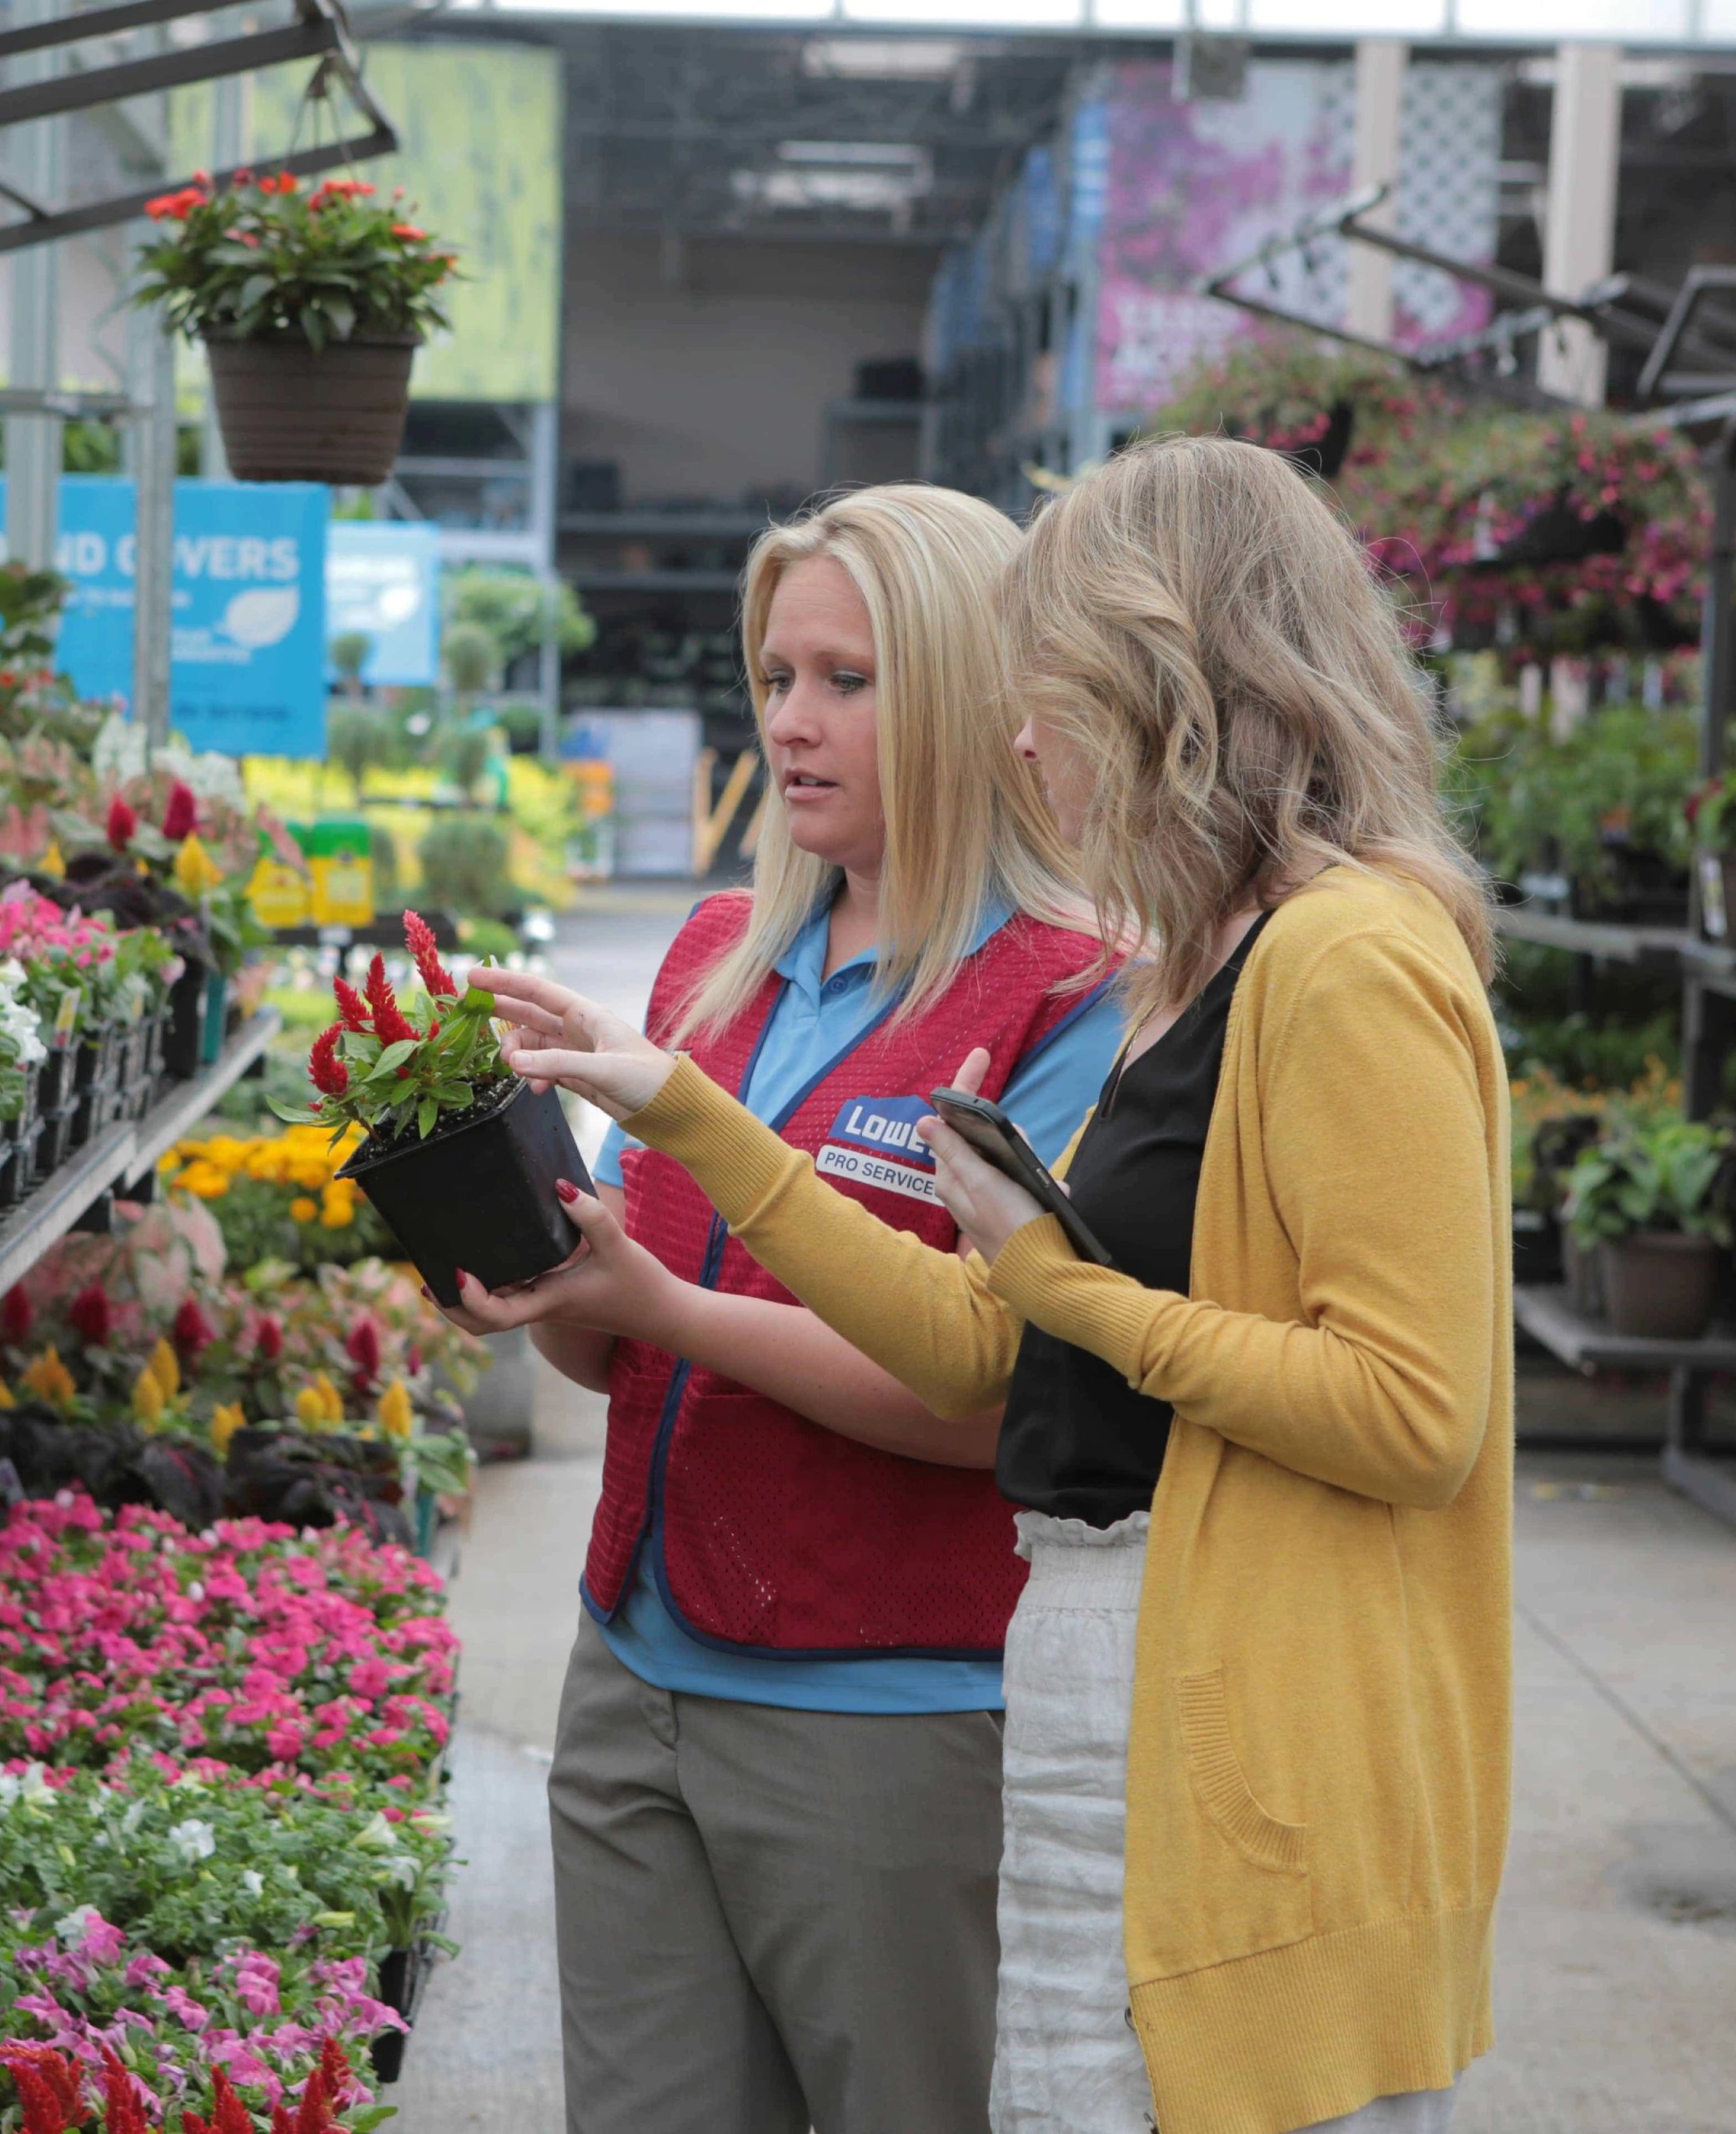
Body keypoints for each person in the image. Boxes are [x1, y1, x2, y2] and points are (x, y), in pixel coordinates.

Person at [478, 434, 1511, 2134]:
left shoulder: (1307, 959)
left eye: (1060, 686)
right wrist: (637, 1184)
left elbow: (1396, 1411)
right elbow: (975, 1328)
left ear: (1170, 680)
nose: (1030, 737)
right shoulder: (1194, 960)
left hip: (1072, 1689)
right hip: (984, 1664)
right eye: (778, 676)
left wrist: (1070, 1295)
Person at [443, 483, 1126, 2134]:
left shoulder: (1069, 995)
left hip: (885, 1719)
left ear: (971, 691)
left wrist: (658, 1304)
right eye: (775, 675)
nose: (793, 723)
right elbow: (611, 1333)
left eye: (850, 679)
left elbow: (992, 1406)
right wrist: (532, 1264)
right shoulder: (716, 957)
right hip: (631, 1674)